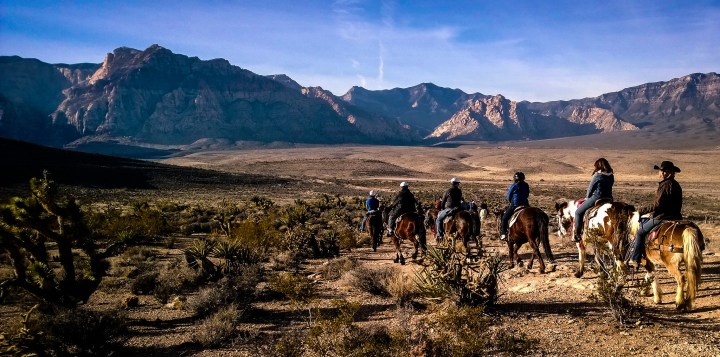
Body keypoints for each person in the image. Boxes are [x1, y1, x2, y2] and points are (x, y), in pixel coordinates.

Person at [629, 161, 683, 267]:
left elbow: (657, 205)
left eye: (665, 171)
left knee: (640, 232)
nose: (662, 173)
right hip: (676, 216)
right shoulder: (676, 184)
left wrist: (641, 211)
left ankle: (635, 258)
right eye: (661, 171)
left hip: (663, 217)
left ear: (671, 172)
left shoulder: (665, 185)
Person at [572, 158, 615, 242]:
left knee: (578, 212)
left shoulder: (597, 175)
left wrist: (587, 198)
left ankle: (577, 234)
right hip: (609, 198)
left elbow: (590, 188)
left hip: (597, 197)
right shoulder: (611, 175)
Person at [500, 172, 530, 241]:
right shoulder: (526, 185)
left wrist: (510, 201)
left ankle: (503, 233)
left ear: (515, 179)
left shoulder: (514, 185)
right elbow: (527, 194)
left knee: (504, 218)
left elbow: (508, 195)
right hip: (525, 204)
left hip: (515, 204)